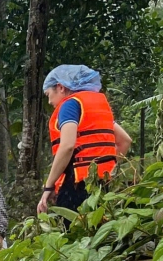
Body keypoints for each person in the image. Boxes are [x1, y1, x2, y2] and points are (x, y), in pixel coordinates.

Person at [37, 65, 132, 215]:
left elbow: (67, 145)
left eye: (48, 94)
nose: (49, 101)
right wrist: (108, 169)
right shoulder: (96, 107)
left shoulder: (69, 106)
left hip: (77, 187)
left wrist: (49, 187)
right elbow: (125, 141)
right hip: (103, 184)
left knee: (73, 235)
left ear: (60, 87)